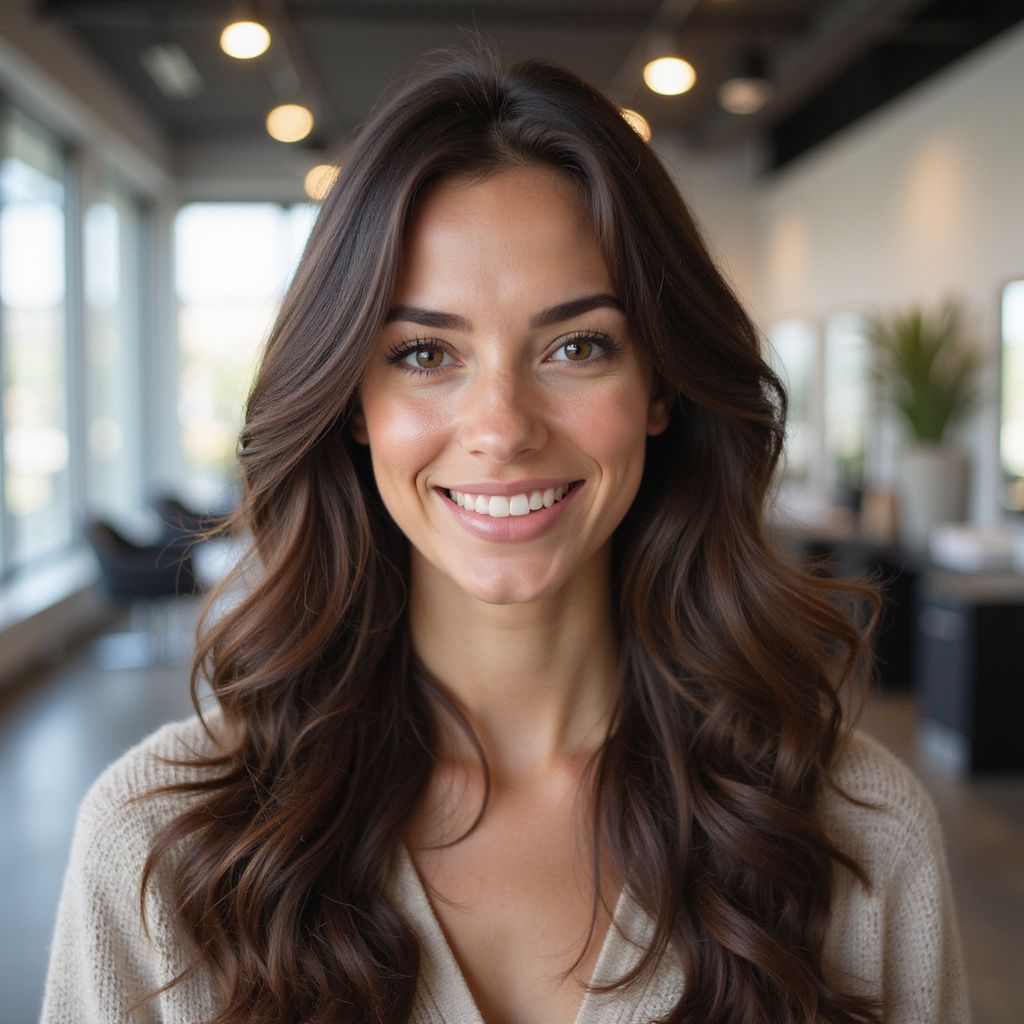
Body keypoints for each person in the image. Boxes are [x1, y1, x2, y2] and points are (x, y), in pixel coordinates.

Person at [41, 50, 970, 1024]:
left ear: (659, 387)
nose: (501, 425)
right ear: (353, 402)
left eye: (576, 345)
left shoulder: (854, 834)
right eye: (423, 353)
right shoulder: (157, 840)